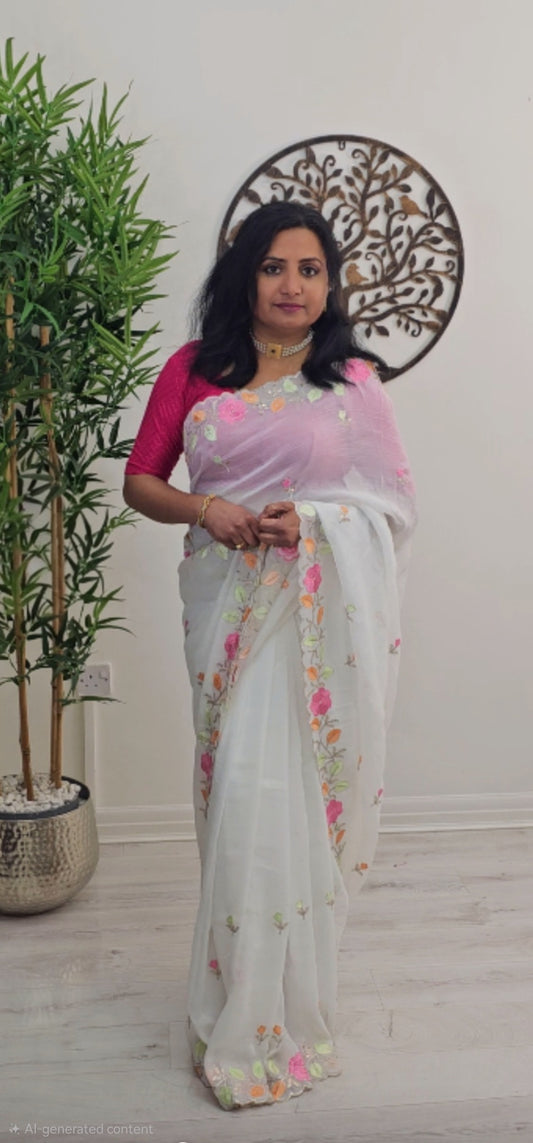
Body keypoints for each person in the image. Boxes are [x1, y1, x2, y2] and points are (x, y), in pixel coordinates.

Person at [123, 201, 417, 1111]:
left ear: (330, 285)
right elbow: (140, 480)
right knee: (241, 804)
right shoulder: (193, 369)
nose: (292, 285)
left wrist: (317, 522)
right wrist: (205, 509)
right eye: (274, 266)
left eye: (310, 269)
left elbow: (391, 509)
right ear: (244, 275)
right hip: (227, 611)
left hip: (310, 618)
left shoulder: (352, 382)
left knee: (284, 804)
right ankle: (235, 1013)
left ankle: (287, 1013)